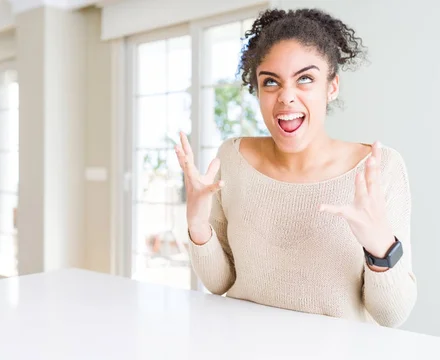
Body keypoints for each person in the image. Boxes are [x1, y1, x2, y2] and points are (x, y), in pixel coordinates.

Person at [174, 8, 416, 328]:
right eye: (271, 82)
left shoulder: (379, 169)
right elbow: (219, 283)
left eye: (305, 79)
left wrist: (381, 247)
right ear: (257, 90)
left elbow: (392, 316)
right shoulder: (231, 158)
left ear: (331, 87)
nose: (286, 97)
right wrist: (196, 223)